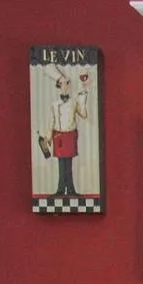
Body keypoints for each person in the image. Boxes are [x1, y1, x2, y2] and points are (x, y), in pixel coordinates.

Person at [40, 65, 92, 197]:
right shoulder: (54, 104)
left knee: (68, 164)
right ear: (58, 86)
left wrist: (83, 95)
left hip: (70, 135)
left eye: (66, 83)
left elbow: (84, 115)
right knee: (61, 164)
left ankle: (71, 190)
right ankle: (60, 190)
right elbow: (52, 121)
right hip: (58, 136)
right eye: (62, 84)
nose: (65, 86)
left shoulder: (74, 102)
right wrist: (48, 137)